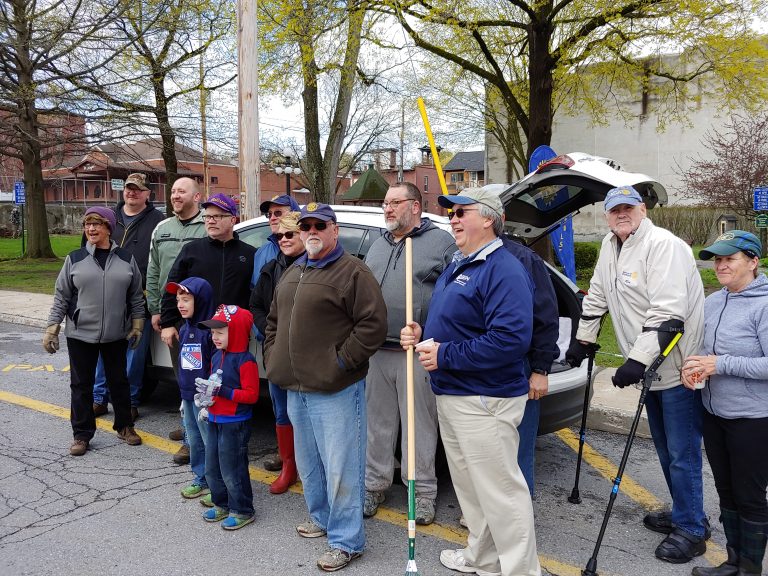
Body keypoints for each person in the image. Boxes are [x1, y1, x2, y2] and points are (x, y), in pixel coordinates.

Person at [400, 188, 540, 576]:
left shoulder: (504, 269)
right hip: (456, 396)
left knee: (502, 496)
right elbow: (462, 325)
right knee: (473, 494)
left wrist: (444, 354)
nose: (453, 219)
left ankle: (519, 571)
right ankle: (484, 558)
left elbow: (511, 340)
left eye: (463, 212)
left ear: (490, 219)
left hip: (486, 400)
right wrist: (423, 332)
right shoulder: (462, 262)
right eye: (452, 213)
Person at [566, 185, 707, 564]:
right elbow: (596, 296)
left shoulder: (664, 245)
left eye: (629, 208)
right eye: (615, 210)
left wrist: (637, 360)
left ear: (643, 210)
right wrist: (583, 339)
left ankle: (693, 529)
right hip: (652, 367)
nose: (621, 214)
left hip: (677, 365)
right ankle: (685, 513)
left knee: (681, 452)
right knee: (665, 447)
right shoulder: (611, 247)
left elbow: (668, 312)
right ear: (607, 215)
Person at [264, 203, 387, 572]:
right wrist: (273, 359)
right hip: (294, 386)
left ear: (335, 231)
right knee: (309, 462)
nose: (312, 231)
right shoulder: (295, 270)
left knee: (342, 466)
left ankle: (347, 541)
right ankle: (320, 518)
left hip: (334, 388)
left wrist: (340, 363)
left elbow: (373, 326)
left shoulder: (353, 272)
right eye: (307, 226)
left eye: (320, 225)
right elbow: (273, 321)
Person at [362, 182, 455, 525]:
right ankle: (374, 485)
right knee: (378, 426)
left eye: (395, 202)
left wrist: (426, 327)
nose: (387, 209)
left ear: (415, 207)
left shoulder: (440, 243)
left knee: (419, 427)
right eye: (385, 203)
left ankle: (423, 493)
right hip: (377, 351)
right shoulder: (378, 243)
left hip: (415, 353)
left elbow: (453, 299)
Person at [681, 231, 768, 576]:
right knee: (726, 490)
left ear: (752, 261)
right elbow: (706, 352)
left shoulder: (764, 305)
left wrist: (720, 364)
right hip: (714, 412)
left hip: (753, 418)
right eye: (717, 259)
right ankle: (733, 562)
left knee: (749, 496)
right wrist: (695, 368)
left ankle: (750, 569)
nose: (720, 265)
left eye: (729, 258)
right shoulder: (714, 301)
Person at [43, 206, 145, 456]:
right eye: (88, 224)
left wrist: (137, 324)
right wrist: (52, 328)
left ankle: (124, 426)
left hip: (115, 334)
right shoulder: (74, 258)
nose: (91, 228)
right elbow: (61, 296)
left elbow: (135, 296)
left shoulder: (125, 259)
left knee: (119, 382)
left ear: (109, 228)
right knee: (81, 385)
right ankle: (81, 434)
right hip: (80, 334)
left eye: (97, 224)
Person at [92, 172, 164, 421]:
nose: (132, 192)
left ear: (147, 193)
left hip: (138, 298)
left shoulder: (158, 221)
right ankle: (98, 398)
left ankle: (130, 401)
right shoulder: (108, 218)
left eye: (137, 189)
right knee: (103, 349)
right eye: (128, 188)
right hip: (107, 296)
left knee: (135, 354)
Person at [146, 176, 207, 464]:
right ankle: (188, 431)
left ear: (197, 197)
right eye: (172, 192)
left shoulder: (209, 223)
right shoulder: (163, 228)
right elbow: (154, 269)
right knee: (183, 377)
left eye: (181, 191)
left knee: (202, 377)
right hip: (174, 315)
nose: (175, 196)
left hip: (201, 318)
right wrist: (157, 309)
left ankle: (197, 435)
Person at [249, 211, 305, 495]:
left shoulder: (316, 267)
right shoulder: (270, 268)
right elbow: (256, 305)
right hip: (276, 353)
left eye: (289, 234)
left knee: (308, 415)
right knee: (282, 412)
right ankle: (288, 467)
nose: (283, 240)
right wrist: (270, 333)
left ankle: (310, 469)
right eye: (279, 235)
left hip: (308, 357)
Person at [159, 193, 255, 342]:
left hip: (234, 331)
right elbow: (172, 287)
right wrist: (167, 323)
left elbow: (256, 295)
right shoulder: (191, 250)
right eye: (207, 217)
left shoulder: (249, 253)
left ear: (232, 220)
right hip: (196, 330)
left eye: (217, 216)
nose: (211, 221)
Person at [197, 304, 259, 530]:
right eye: (213, 332)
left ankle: (242, 509)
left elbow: (252, 395)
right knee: (212, 466)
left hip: (235, 423)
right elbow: (213, 385)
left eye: (220, 332)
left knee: (232, 468)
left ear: (237, 332)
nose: (214, 337)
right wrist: (205, 398)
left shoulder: (246, 361)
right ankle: (221, 503)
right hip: (215, 418)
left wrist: (224, 392)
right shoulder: (216, 355)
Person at [166, 277, 215, 500]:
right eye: (178, 300)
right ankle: (201, 478)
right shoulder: (184, 329)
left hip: (204, 400)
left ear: (201, 300)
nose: (180, 305)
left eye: (186, 299)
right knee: (194, 440)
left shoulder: (209, 332)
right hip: (187, 396)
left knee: (208, 440)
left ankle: (217, 484)